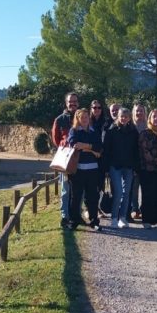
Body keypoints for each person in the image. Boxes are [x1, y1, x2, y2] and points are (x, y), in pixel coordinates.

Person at [66, 108, 104, 231]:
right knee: (75, 197)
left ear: (89, 118)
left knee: (92, 197)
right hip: (77, 170)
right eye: (81, 117)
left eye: (86, 117)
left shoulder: (94, 131)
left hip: (93, 170)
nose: (84, 119)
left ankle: (94, 221)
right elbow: (74, 144)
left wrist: (85, 146)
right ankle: (74, 221)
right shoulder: (74, 131)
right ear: (77, 119)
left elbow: (99, 147)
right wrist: (92, 149)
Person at [103, 107, 139, 228]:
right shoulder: (111, 131)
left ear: (129, 118)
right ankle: (114, 217)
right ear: (118, 117)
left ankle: (123, 218)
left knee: (126, 193)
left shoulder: (133, 132)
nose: (123, 118)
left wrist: (136, 167)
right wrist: (106, 169)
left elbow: (136, 151)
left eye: (126, 116)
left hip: (129, 166)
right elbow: (106, 150)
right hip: (115, 166)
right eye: (121, 116)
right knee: (118, 192)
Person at [52, 92, 79, 228]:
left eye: (74, 101)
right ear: (66, 103)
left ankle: (76, 215)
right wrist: (65, 147)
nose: (72, 104)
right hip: (66, 160)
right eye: (70, 101)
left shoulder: (82, 117)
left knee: (79, 190)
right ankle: (65, 216)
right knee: (66, 189)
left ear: (78, 103)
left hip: (80, 159)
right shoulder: (60, 119)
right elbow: (56, 139)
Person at [129, 103, 148, 220]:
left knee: (146, 187)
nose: (139, 113)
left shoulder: (148, 126)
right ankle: (134, 209)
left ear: (145, 113)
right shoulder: (130, 126)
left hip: (147, 161)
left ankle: (145, 209)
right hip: (133, 161)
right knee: (134, 187)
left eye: (141, 111)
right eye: (137, 111)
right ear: (133, 112)